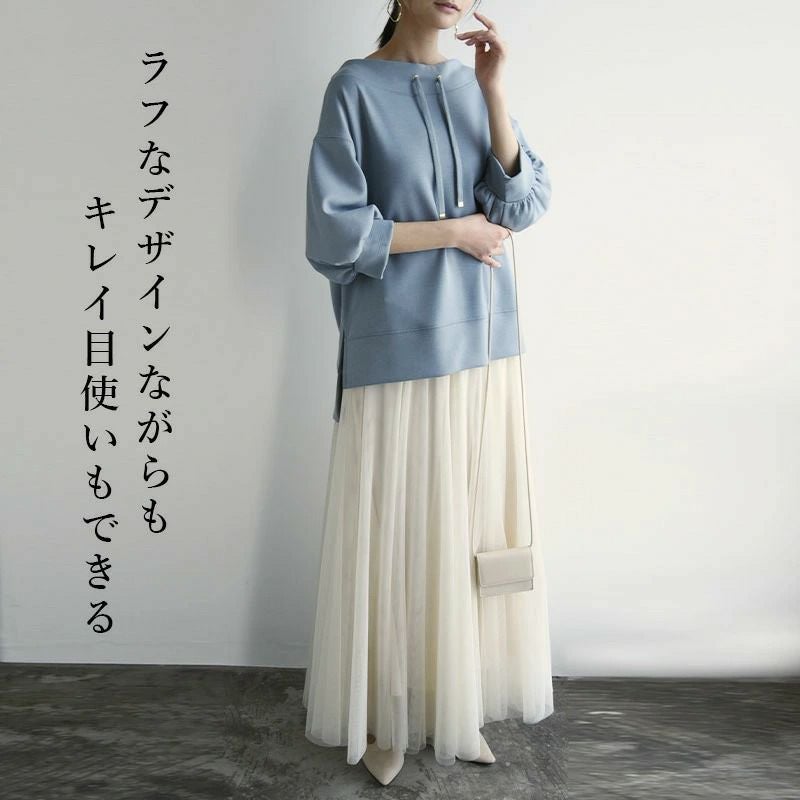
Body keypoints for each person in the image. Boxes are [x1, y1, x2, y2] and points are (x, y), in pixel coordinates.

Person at [301, 0, 554, 785]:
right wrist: (453, 230)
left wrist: (496, 90)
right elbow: (335, 233)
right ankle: (388, 714)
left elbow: (521, 206)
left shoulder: (473, 84)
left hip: (487, 345)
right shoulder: (354, 88)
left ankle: (455, 705)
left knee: (470, 529)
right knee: (397, 533)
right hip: (397, 346)